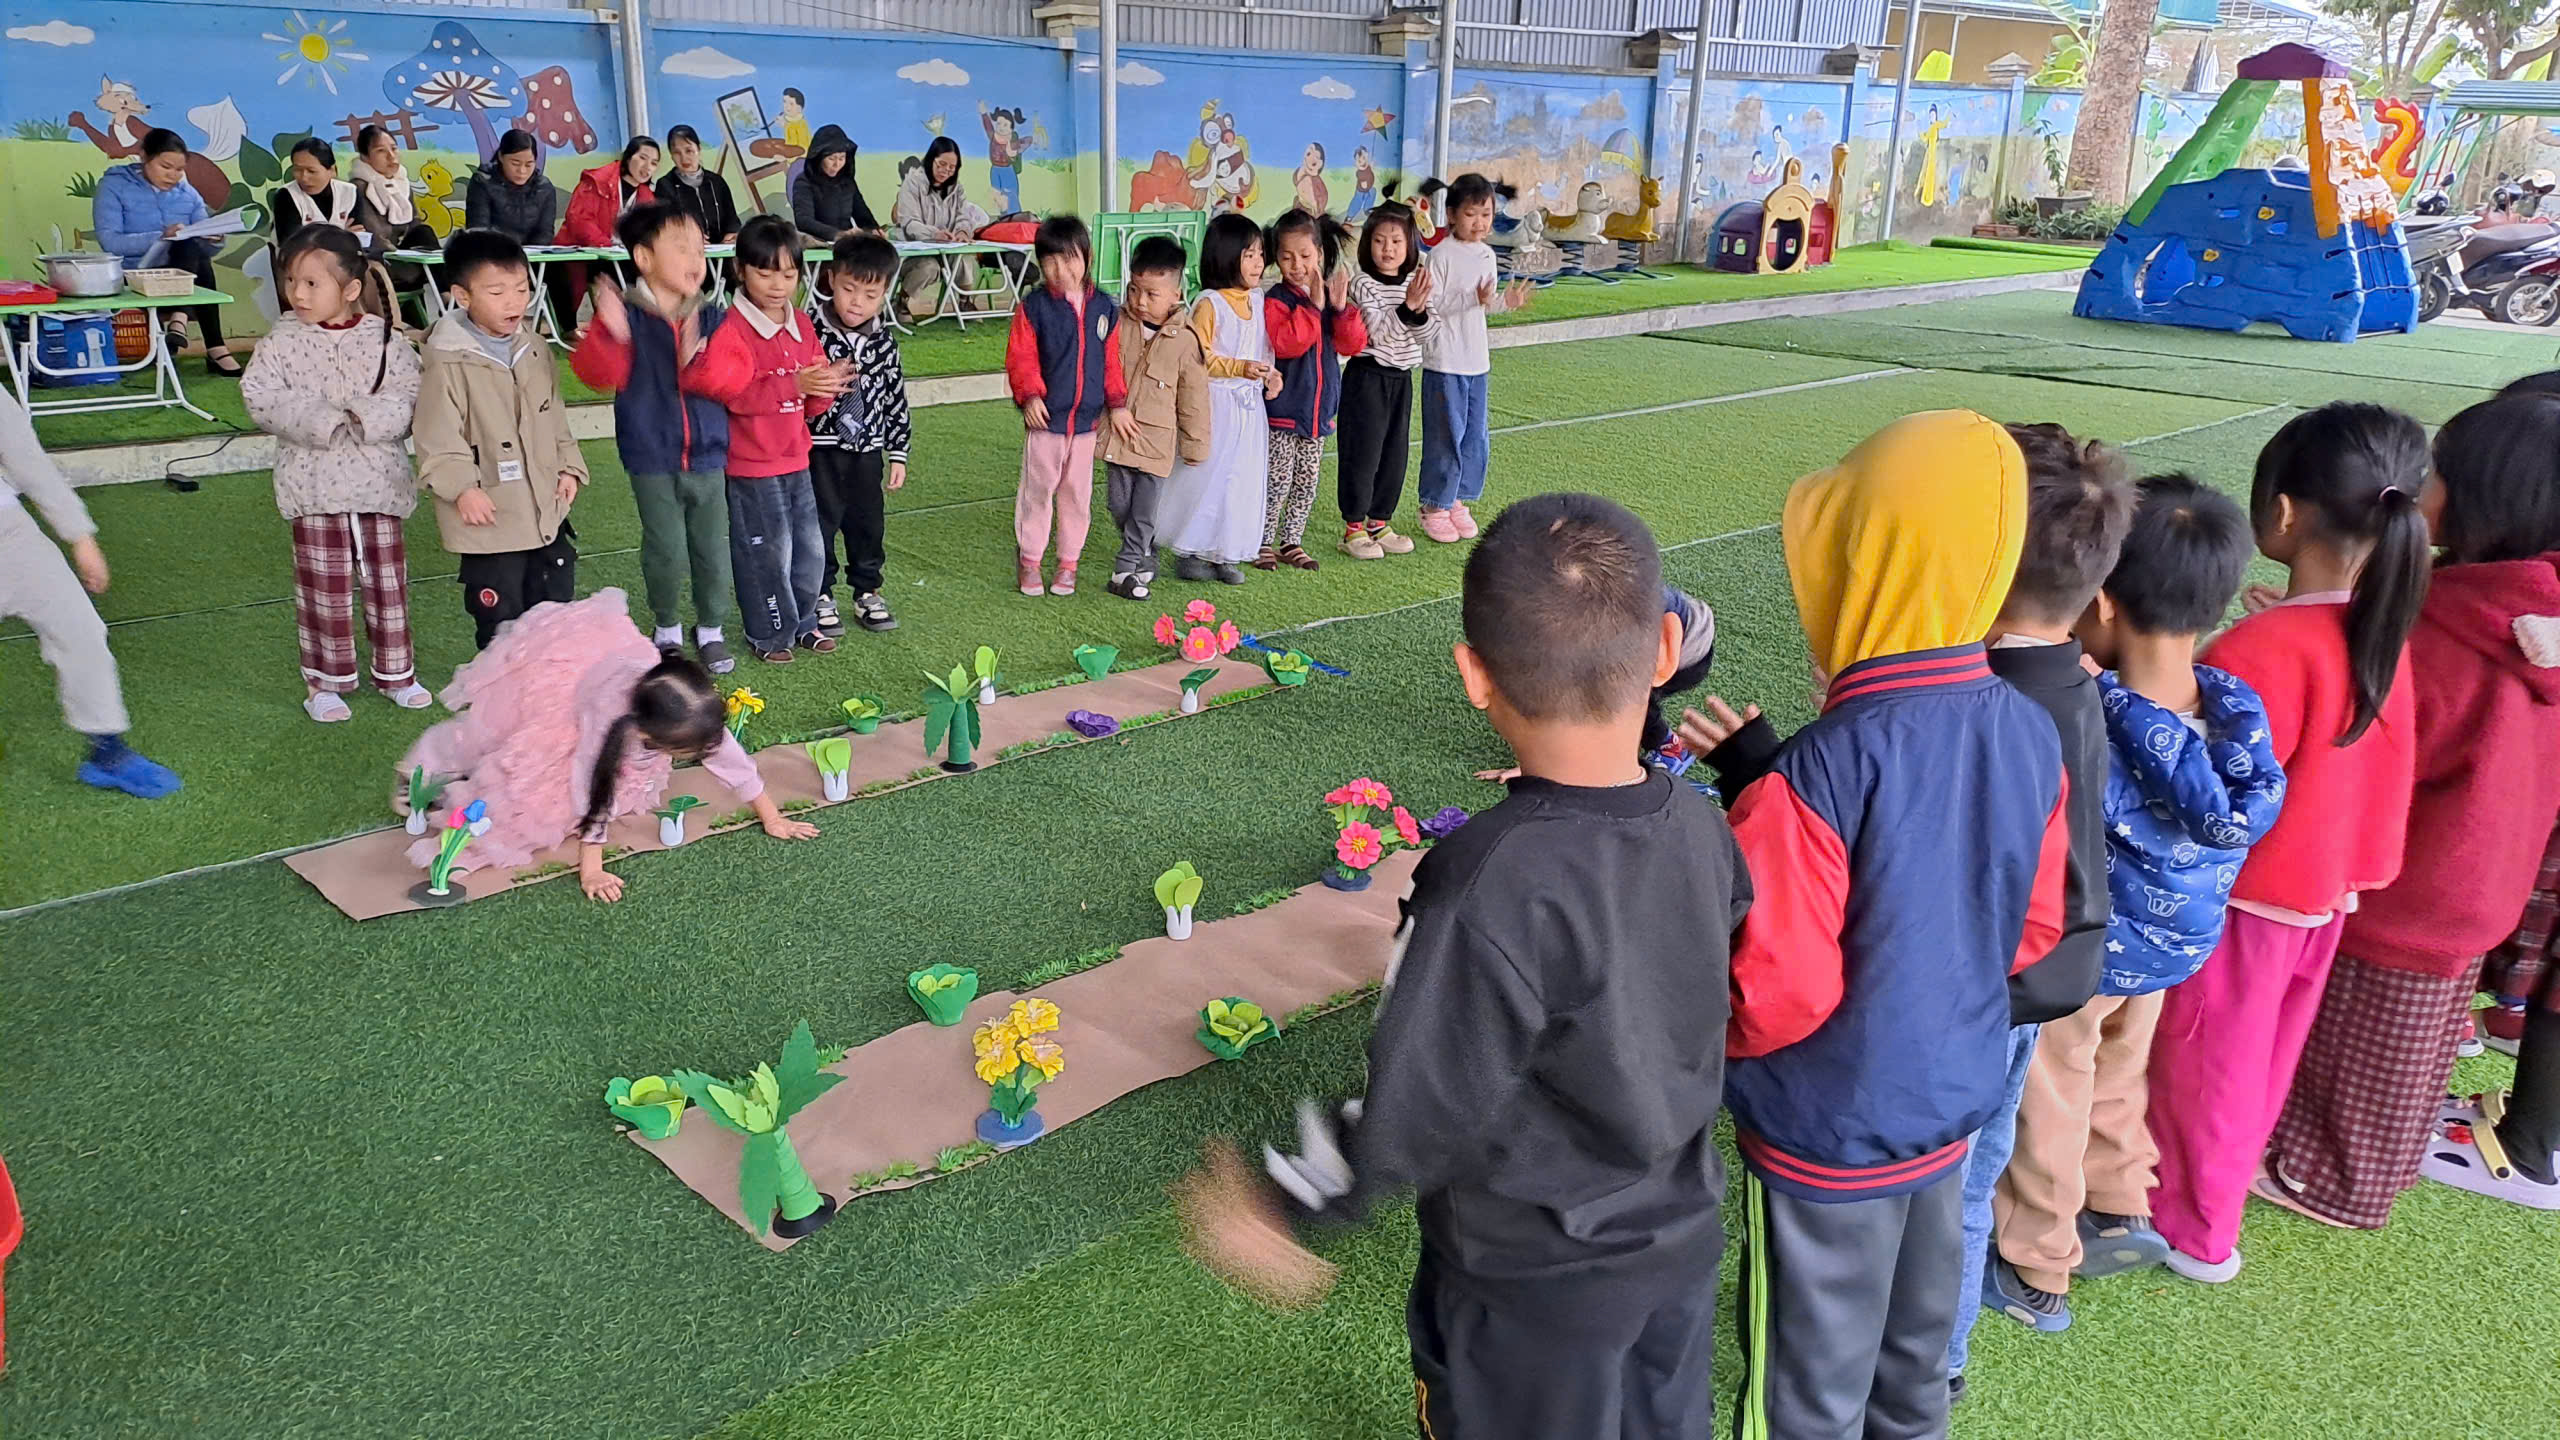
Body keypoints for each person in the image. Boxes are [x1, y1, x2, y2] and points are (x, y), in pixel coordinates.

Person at [1175, 492, 1749, 1440]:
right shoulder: (1702, 824)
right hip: (1677, 1241)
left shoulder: (1485, 879)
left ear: (1474, 675)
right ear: (1663, 653)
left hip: (1529, 1286)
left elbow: (1424, 1091)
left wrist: (1295, 1196)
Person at [1682, 410, 2069, 1440]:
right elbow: (2034, 930)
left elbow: (1777, 991)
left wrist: (1694, 1034)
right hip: (1949, 1109)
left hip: (1825, 1134)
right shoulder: (2028, 726)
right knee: (1910, 1370)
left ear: (1856, 572)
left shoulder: (1816, 767)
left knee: (1802, 1392)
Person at [1990, 473, 2281, 1337]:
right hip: (2173, 945)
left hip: (2087, 950)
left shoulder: (2093, 714)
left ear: (2103, 602)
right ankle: (2120, 1204)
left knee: (2053, 1088)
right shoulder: (2234, 708)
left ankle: (2039, 1263)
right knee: (2121, 1067)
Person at [2143, 402, 2428, 1282]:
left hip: (2248, 899)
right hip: (2324, 896)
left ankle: (2193, 1227)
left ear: (2283, 512)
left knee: (2205, 1065)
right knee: (2259, 1062)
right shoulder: (2379, 627)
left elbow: (2200, 783)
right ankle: (2214, 1202)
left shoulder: (2262, 647)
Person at [2265, 391, 2560, 1227]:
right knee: (2412, 1048)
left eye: (2436, 473)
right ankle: (2372, 1167)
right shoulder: (2533, 609)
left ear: (2482, 496)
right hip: (2485, 883)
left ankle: (2336, 1185)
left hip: (2414, 882)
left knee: (2365, 1048)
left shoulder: (2451, 622)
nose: (2420, 489)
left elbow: (2383, 739)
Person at [1927, 424, 2131, 1386]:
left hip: (1979, 989)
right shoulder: (2076, 683)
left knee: (1939, 1181)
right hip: (2040, 981)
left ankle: (1920, 1356)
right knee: (1973, 1177)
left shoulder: (1983, 703)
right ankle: (1945, 1360)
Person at [396, 590, 817, 903]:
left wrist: (772, 816)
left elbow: (728, 757)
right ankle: (421, 767)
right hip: (565, 689)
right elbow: (593, 785)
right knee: (496, 742)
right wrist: (591, 870)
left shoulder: (683, 708)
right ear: (652, 738)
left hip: (616, 672)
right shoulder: (610, 722)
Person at [239, 227, 430, 723]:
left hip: (379, 484)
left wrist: (365, 417)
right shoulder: (280, 341)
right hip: (313, 487)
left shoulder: (387, 340)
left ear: (350, 289)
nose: (297, 294)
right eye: (291, 281)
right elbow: (260, 396)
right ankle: (324, 682)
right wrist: (321, 419)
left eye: (311, 283)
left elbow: (412, 396)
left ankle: (397, 673)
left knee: (388, 586)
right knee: (324, 591)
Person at [569, 202, 736, 675]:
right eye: (680, 248)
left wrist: (697, 357)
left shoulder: (713, 316)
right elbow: (597, 374)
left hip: (708, 454)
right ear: (643, 258)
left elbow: (732, 379)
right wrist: (613, 333)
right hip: (651, 456)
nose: (695, 260)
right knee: (665, 547)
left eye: (699, 249)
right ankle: (667, 628)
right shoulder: (628, 316)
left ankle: (711, 629)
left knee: (712, 548)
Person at [682, 214, 847, 664]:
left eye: (789, 274)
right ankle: (769, 634)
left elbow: (811, 402)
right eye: (765, 272)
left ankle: (805, 621)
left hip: (797, 458)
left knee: (810, 550)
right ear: (740, 270)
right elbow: (732, 395)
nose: (778, 285)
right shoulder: (730, 328)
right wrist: (794, 385)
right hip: (751, 466)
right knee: (766, 555)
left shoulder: (802, 324)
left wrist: (825, 387)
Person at [0, 389, 180, 798]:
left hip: (10, 535)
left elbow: (27, 459)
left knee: (80, 629)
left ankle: (107, 753)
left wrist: (80, 537)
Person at [415, 229, 587, 650]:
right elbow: (437, 436)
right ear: (462, 296)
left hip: (545, 510)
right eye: (497, 292)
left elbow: (554, 415)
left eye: (522, 288)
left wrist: (569, 465)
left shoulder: (535, 348)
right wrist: (462, 488)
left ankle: (548, 685)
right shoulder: (446, 361)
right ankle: (502, 687)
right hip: (490, 519)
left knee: (553, 613)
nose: (514, 302)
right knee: (500, 624)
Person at [1001, 214, 1130, 598]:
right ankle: (1030, 560)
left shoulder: (1105, 307)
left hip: (1087, 424)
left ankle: (1068, 563)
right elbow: (1021, 358)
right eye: (1051, 261)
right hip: (1045, 421)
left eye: (1070, 259)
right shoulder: (1034, 308)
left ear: (1087, 257)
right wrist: (1030, 396)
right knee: (1038, 490)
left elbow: (1111, 361)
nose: (1061, 270)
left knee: (1077, 494)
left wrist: (1117, 403)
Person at [1157, 213, 1280, 586]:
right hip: (1216, 405)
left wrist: (1270, 374)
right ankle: (1191, 549)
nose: (1258, 263)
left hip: (1249, 408)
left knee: (1241, 478)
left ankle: (1226, 551)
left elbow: (1263, 347)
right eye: (1249, 255)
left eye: (1260, 254)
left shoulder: (1257, 299)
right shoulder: (1210, 303)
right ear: (1226, 256)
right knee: (1207, 476)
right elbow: (1200, 356)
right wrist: (1239, 368)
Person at [1415, 174, 1534, 544]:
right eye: (1471, 214)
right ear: (1451, 214)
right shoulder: (1441, 256)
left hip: (1476, 362)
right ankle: (1434, 505)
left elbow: (1484, 305)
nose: (1480, 222)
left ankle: (1457, 499)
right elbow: (1430, 306)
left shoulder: (1487, 255)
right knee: (1445, 435)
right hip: (1444, 361)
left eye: (1486, 214)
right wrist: (1473, 299)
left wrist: (1504, 303)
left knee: (1474, 436)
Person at [805, 231, 912, 635]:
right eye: (849, 289)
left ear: (885, 293)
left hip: (868, 451)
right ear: (831, 278)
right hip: (819, 449)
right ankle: (820, 593)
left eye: (870, 295)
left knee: (867, 523)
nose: (856, 303)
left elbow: (895, 397)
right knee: (819, 522)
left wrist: (898, 452)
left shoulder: (885, 341)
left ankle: (868, 590)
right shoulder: (808, 330)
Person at [1099, 235, 1210, 602]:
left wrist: (1195, 444)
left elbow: (1194, 398)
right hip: (1119, 436)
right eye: (1134, 290)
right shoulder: (1117, 323)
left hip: (1157, 443)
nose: (1140, 301)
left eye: (1151, 294)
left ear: (1176, 294)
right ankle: (1145, 552)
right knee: (1118, 504)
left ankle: (1126, 567)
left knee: (1144, 511)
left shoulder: (1186, 339)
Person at [1258, 209, 1365, 573]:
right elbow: (1287, 344)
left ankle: (1292, 541)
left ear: (1319, 253)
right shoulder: (1276, 299)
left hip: (1318, 412)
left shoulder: (1329, 296)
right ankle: (1262, 542)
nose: (1297, 265)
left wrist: (1340, 309)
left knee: (1306, 481)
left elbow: (1352, 345)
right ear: (1276, 258)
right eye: (1287, 257)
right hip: (1283, 411)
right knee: (1276, 480)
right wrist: (1312, 307)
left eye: (1305, 255)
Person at [91, 127, 240, 376]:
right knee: (185, 245)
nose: (173, 175)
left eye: (180, 169)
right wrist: (161, 236)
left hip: (180, 271)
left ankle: (182, 323)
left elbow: (204, 243)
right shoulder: (114, 186)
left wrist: (215, 238)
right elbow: (111, 242)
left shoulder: (188, 194)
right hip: (135, 273)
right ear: (144, 157)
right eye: (166, 166)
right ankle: (209, 343)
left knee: (191, 246)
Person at [1336, 200, 1432, 560]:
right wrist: (1408, 308)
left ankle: (1379, 521)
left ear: (1409, 245)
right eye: (1379, 241)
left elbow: (1430, 333)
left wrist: (1417, 311)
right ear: (1367, 244)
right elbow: (1377, 332)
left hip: (1401, 379)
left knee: (1395, 453)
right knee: (1362, 452)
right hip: (1367, 378)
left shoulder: (1414, 282)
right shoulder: (1363, 283)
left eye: (1396, 241)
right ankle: (1353, 527)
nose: (1387, 249)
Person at [556, 135, 661, 335]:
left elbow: (649, 231)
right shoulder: (597, 180)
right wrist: (605, 245)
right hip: (581, 250)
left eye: (654, 163)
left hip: (616, 255)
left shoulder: (647, 196)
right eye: (642, 158)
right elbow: (579, 220)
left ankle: (629, 326)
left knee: (642, 271)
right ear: (628, 157)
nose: (647, 167)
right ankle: (574, 329)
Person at [892, 136, 991, 322]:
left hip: (946, 247)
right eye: (942, 164)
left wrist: (962, 231)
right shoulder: (912, 183)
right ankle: (901, 301)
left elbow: (963, 215)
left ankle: (965, 301)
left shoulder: (957, 189)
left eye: (952, 167)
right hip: (915, 251)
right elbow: (909, 222)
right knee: (928, 267)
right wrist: (934, 234)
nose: (946, 171)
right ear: (931, 159)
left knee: (963, 257)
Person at [349, 124, 442, 300]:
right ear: (365, 157)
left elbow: (414, 224)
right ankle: (447, 298)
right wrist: (403, 257)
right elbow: (374, 238)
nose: (391, 156)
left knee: (423, 232)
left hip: (403, 256)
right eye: (380, 151)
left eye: (394, 148)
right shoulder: (359, 188)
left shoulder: (401, 183)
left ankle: (446, 295)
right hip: (380, 261)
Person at [270, 138, 387, 254]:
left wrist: (321, 240)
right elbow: (292, 243)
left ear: (332, 170)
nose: (304, 178)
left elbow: (357, 235)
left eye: (311, 171)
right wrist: (340, 237)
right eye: (297, 170)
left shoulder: (349, 192)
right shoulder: (286, 195)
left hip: (344, 259)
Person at [465, 130, 559, 249]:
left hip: (532, 255)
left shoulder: (544, 187)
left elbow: (545, 233)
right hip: (492, 253)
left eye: (529, 164)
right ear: (501, 156)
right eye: (515, 163)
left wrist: (528, 254)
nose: (522, 171)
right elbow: (478, 230)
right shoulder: (482, 182)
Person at [658, 125, 742, 249]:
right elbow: (664, 226)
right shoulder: (665, 185)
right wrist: (688, 237)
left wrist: (732, 234)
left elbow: (732, 219)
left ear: (699, 149)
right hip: (686, 252)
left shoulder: (716, 182)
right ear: (671, 155)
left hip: (721, 253)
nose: (684, 158)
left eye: (689, 151)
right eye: (677, 153)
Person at [792, 124, 878, 242]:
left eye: (842, 158)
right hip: (818, 244)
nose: (837, 164)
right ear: (819, 158)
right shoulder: (804, 181)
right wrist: (837, 234)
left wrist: (873, 229)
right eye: (831, 159)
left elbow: (861, 213)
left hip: (846, 243)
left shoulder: (847, 181)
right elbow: (804, 221)